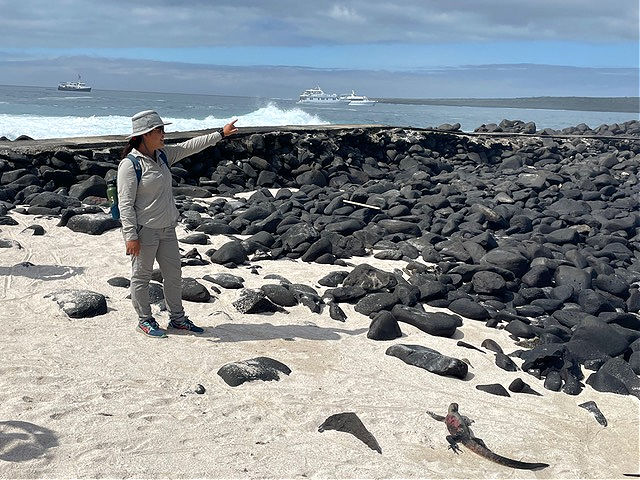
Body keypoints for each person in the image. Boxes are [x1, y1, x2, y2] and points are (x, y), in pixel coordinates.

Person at [117, 110, 238, 338]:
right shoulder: (130, 165)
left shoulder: (162, 155)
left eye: (163, 129)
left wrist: (220, 134)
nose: (164, 134)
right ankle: (145, 320)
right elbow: (125, 204)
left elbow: (190, 146)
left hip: (168, 229)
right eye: (159, 130)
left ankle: (178, 319)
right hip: (145, 232)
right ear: (144, 134)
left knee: (174, 276)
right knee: (141, 277)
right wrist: (130, 236)